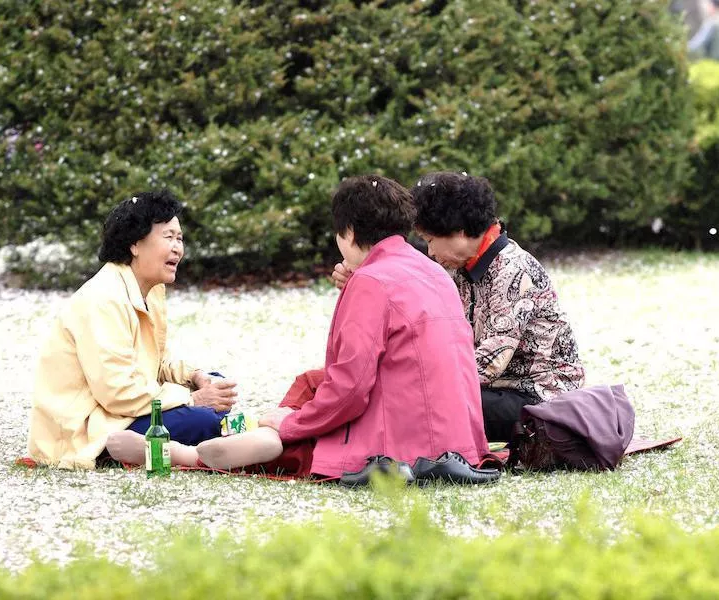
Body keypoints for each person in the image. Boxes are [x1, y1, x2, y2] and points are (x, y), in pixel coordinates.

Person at [108, 175, 490, 479]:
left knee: (298, 441)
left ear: (351, 232)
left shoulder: (371, 281)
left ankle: (197, 453)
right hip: (459, 438)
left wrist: (294, 423)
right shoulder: (433, 272)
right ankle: (263, 431)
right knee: (311, 382)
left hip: (401, 439)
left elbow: (351, 389)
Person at [333, 172, 585, 443]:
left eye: (430, 240)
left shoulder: (514, 270)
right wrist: (361, 278)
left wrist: (418, 385)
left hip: (541, 399)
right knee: (413, 402)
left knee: (426, 407)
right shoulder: (458, 266)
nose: (429, 253)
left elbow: (489, 364)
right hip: (491, 390)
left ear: (461, 231)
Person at [27, 190, 238, 469]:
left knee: (216, 384)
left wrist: (196, 378)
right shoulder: (104, 298)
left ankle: (207, 429)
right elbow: (117, 392)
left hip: (123, 410)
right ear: (135, 244)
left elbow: (157, 361)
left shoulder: (151, 289)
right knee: (204, 419)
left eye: (180, 238)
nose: (178, 248)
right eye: (169, 237)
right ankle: (117, 450)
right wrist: (192, 399)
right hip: (87, 427)